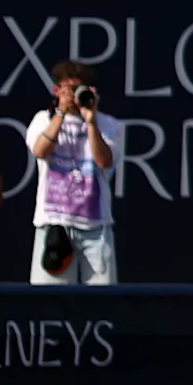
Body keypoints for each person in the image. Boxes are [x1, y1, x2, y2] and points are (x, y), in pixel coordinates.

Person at [24, 59, 123, 283]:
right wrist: (60, 113)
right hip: (54, 223)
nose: (75, 95)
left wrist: (91, 122)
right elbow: (40, 150)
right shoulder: (43, 119)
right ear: (57, 91)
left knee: (104, 298)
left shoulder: (108, 125)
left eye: (80, 89)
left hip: (95, 226)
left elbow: (104, 161)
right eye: (69, 89)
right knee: (49, 298)